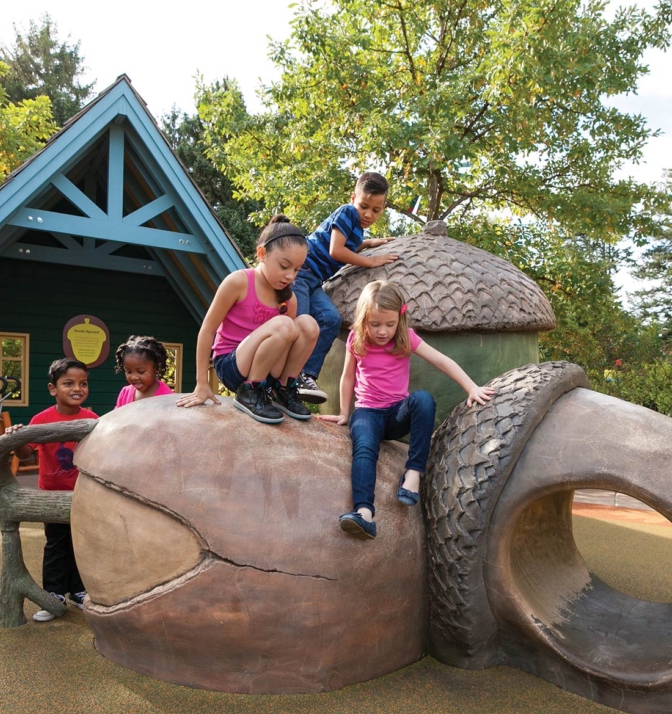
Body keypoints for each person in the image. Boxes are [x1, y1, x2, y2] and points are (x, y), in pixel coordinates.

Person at [319, 280, 495, 539]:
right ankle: (364, 513)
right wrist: (345, 413)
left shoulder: (406, 339)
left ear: (399, 320)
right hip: (367, 413)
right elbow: (348, 378)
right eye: (375, 324)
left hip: (396, 414)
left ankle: (413, 474)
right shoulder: (357, 339)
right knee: (364, 451)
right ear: (364, 319)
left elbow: (442, 361)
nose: (382, 331)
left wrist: (471, 387)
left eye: (389, 325)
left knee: (423, 400)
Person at [177, 215, 320, 424]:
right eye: (284, 266)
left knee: (309, 324)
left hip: (269, 368)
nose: (290, 276)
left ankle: (283, 390)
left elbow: (287, 344)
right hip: (232, 365)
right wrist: (201, 383)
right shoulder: (239, 282)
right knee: (285, 325)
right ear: (262, 253)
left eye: (296, 269)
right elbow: (207, 330)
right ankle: (249, 391)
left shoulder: (290, 299)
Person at [291, 171, 400, 404]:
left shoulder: (357, 226)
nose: (369, 214)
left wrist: (369, 243)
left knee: (330, 319)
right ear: (353, 199)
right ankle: (284, 379)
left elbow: (349, 244)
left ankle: (305, 375)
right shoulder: (347, 212)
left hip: (314, 281)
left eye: (376, 210)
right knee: (300, 325)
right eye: (364, 206)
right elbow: (336, 250)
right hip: (301, 273)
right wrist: (370, 261)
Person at [8, 358, 99, 621]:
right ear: (53, 388)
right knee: (57, 544)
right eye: (68, 383)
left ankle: (79, 590)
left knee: (81, 544)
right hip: (52, 496)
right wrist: (17, 436)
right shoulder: (42, 419)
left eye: (83, 383)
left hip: (82, 495)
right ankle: (54, 593)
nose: (77, 388)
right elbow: (25, 454)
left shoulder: (92, 420)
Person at [114, 335, 174, 407]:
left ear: (157, 367)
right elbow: (117, 417)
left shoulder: (167, 398)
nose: (134, 377)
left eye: (141, 371)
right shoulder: (125, 393)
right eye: (128, 371)